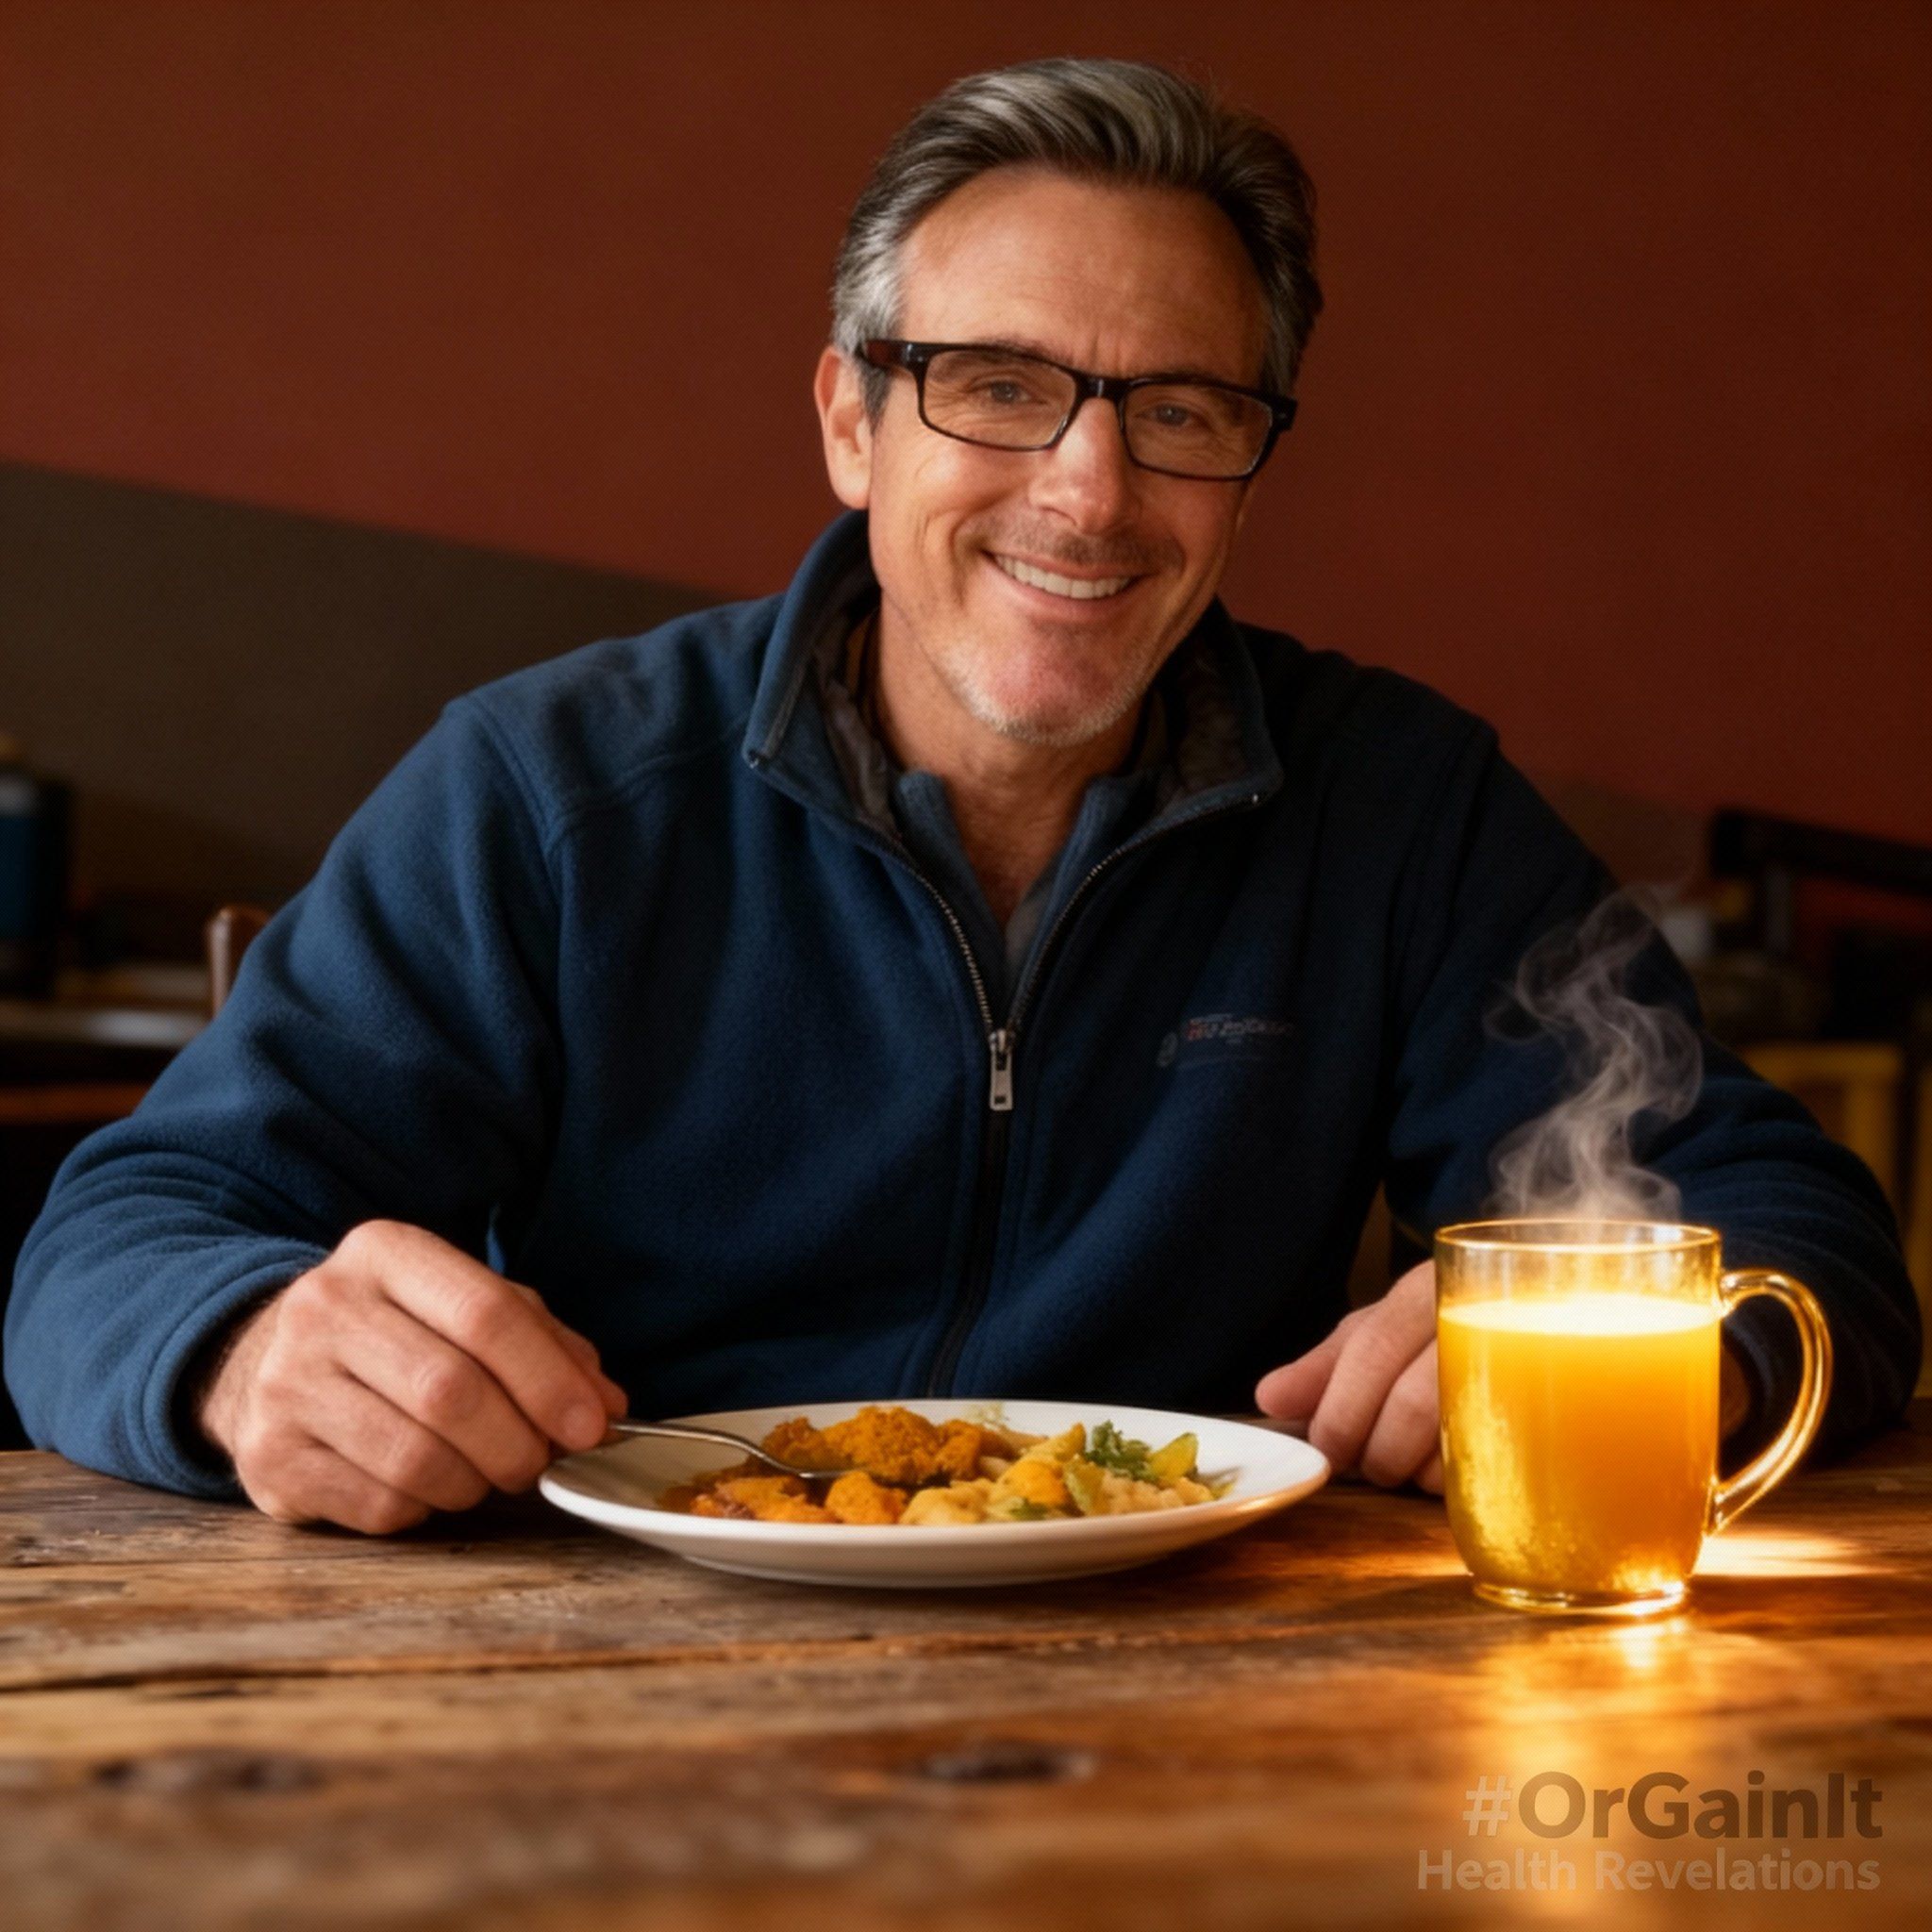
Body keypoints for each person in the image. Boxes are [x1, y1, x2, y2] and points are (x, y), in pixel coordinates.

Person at [6, 59, 1919, 1535]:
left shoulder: (1395, 806)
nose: (1088, 494)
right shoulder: (554, 786)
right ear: (849, 418)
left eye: (1178, 411)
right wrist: (240, 1349)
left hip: (1220, 1698)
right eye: (994, 386)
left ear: (1247, 465)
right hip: (602, 1669)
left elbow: (1777, 1224)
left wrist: (1684, 1357)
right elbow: (126, 1229)